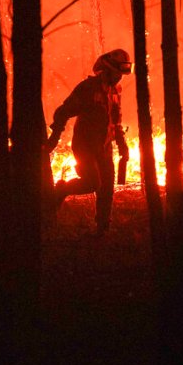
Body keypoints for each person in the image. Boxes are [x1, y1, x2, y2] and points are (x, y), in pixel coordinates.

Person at [45, 49, 131, 235]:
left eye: (121, 75)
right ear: (106, 70)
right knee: (93, 183)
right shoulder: (88, 88)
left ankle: (102, 229)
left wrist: (122, 144)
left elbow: (116, 121)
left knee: (107, 188)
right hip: (85, 146)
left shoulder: (116, 91)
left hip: (105, 146)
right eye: (116, 73)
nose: (119, 78)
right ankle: (62, 190)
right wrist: (53, 139)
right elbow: (63, 112)